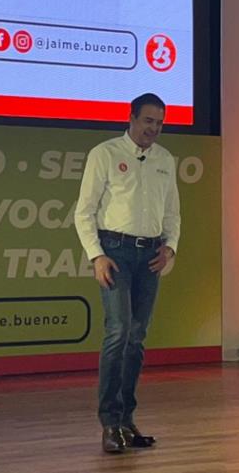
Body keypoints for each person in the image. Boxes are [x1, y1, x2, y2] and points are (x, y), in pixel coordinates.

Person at [74, 92, 180, 454]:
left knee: (137, 337)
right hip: (115, 253)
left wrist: (171, 247)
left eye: (160, 123)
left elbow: (172, 214)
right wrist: (97, 256)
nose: (155, 128)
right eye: (149, 120)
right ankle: (109, 422)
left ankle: (127, 419)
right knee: (118, 332)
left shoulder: (165, 160)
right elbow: (84, 211)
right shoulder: (104, 154)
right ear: (132, 118)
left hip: (150, 255)